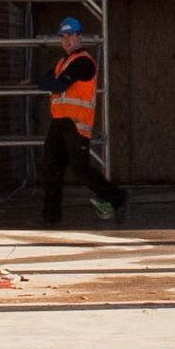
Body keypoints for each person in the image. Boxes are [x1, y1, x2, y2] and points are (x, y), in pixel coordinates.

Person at [40, 16, 126, 226]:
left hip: (76, 125)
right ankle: (51, 217)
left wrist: (53, 82)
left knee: (81, 170)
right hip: (59, 122)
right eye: (63, 37)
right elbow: (44, 81)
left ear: (80, 37)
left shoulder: (84, 62)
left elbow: (57, 85)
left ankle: (118, 198)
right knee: (51, 169)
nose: (67, 40)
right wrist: (53, 81)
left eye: (70, 35)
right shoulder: (63, 63)